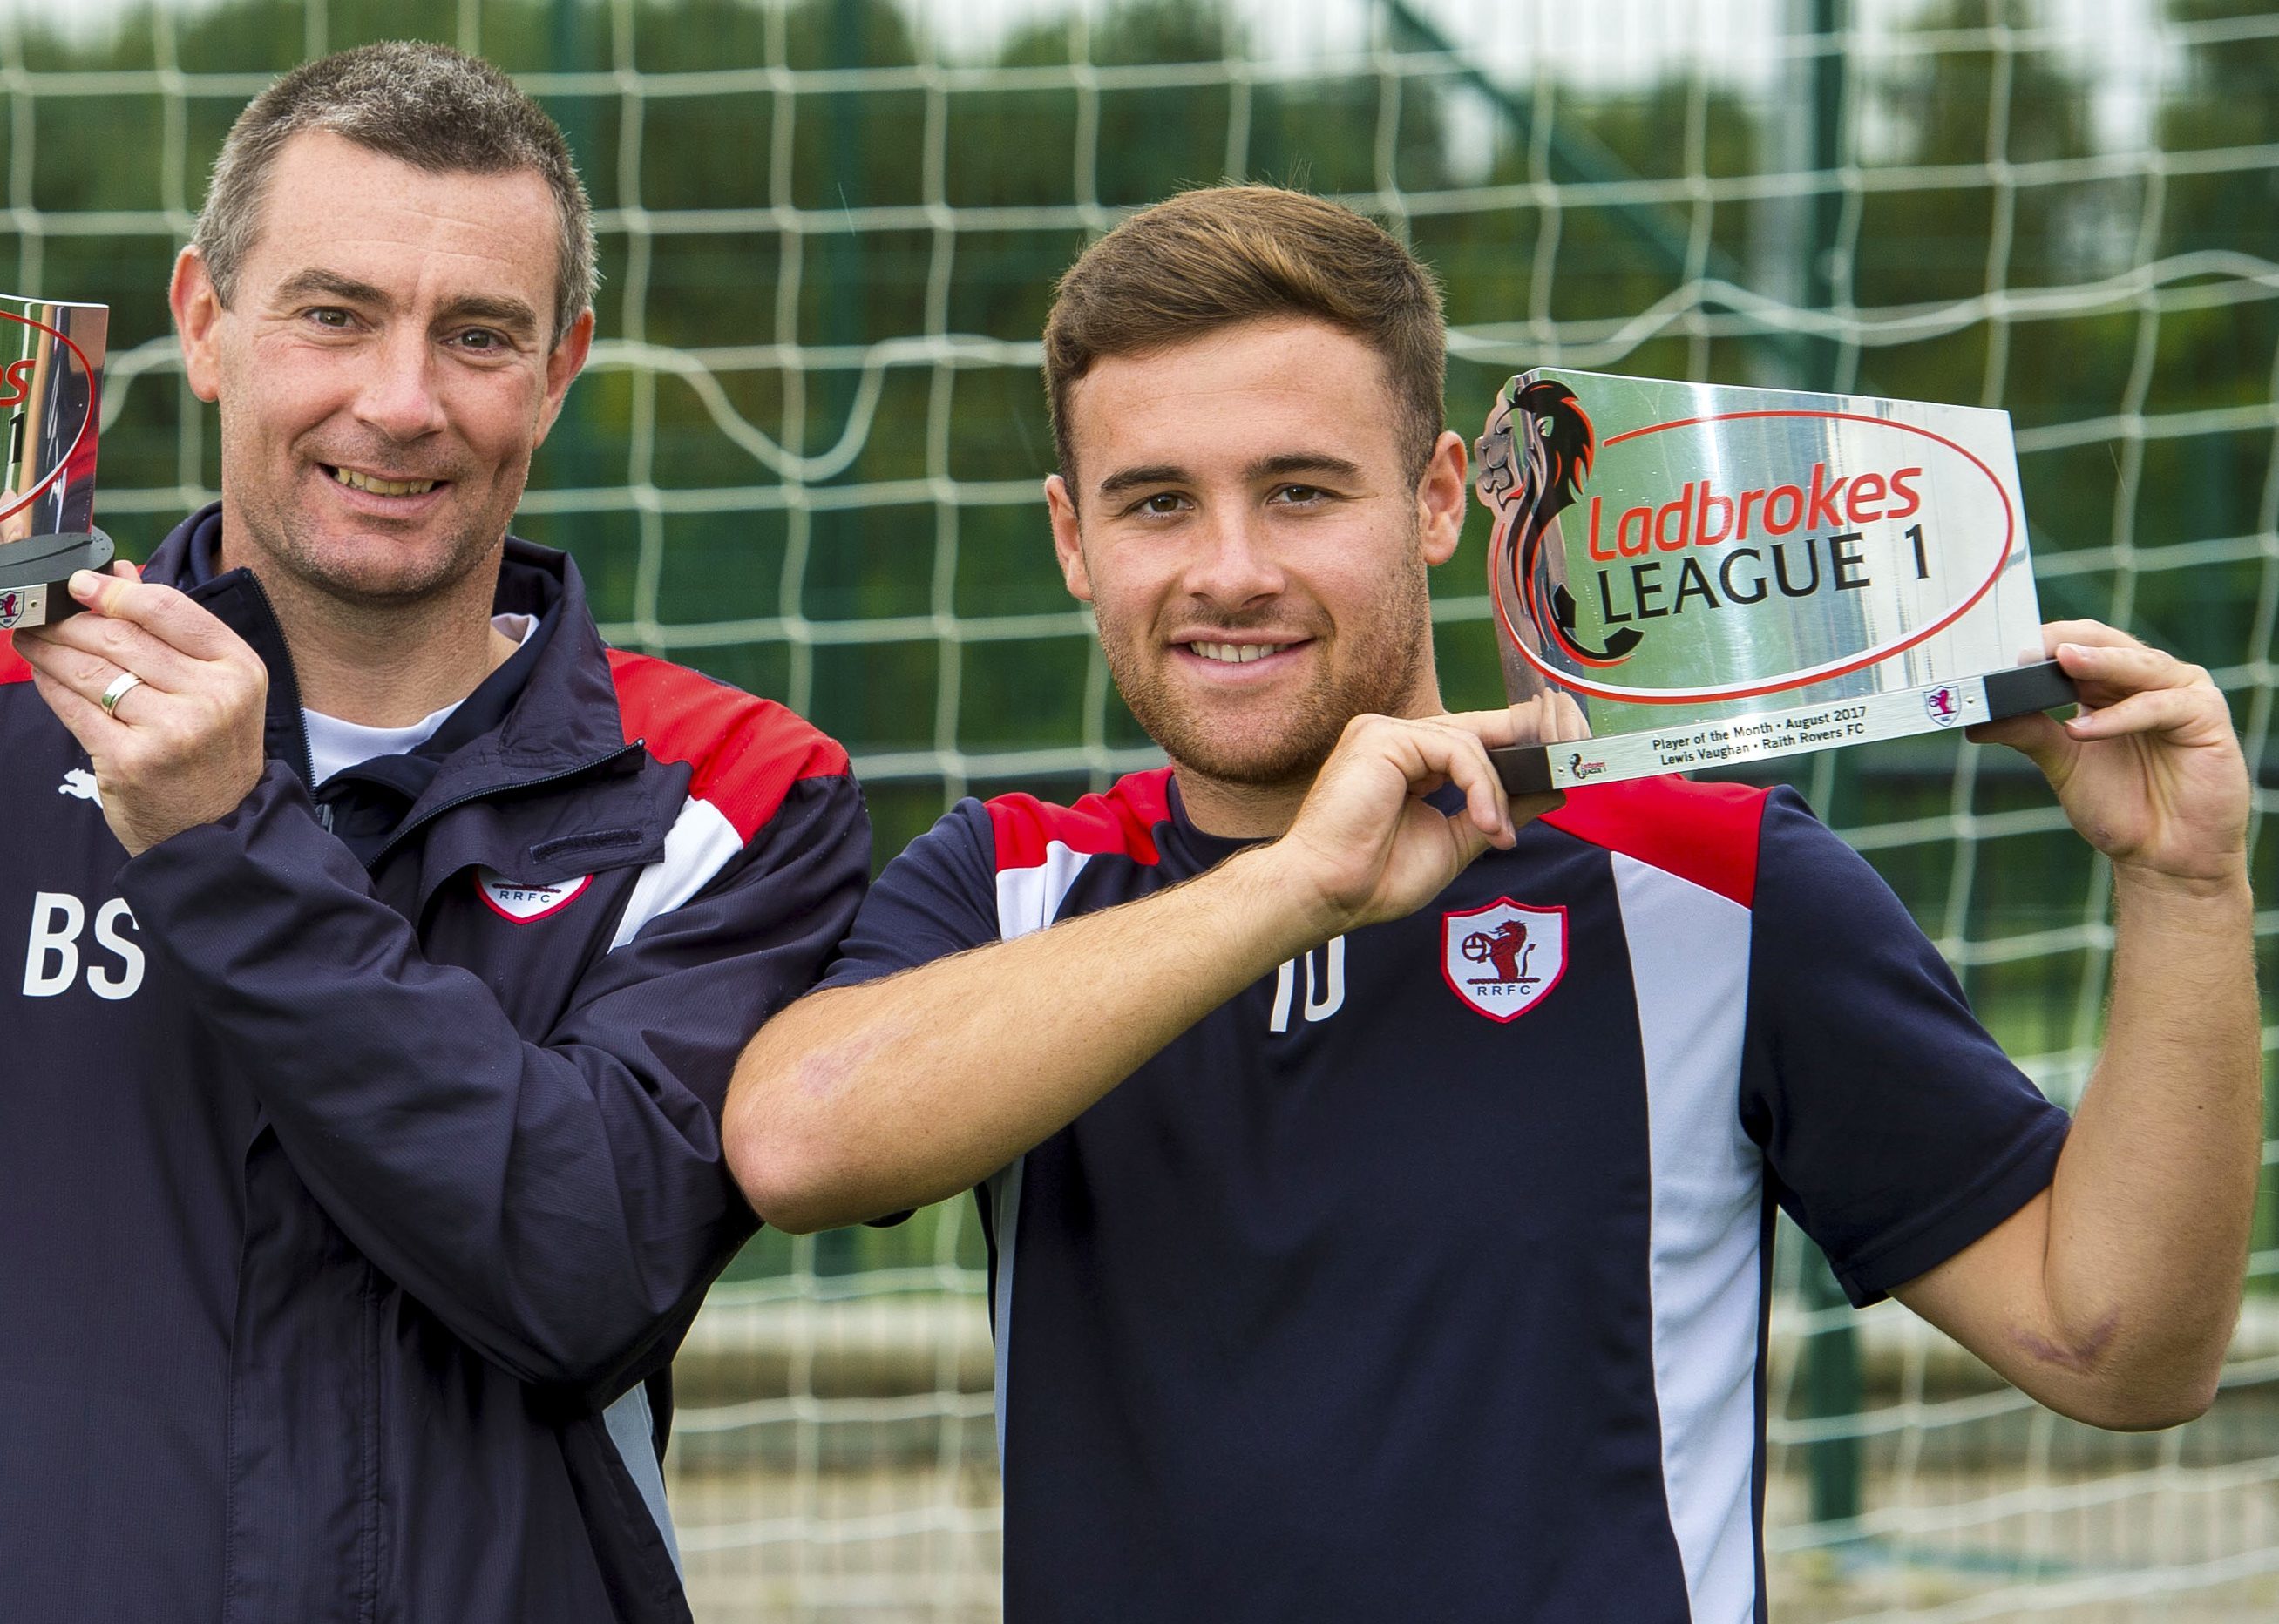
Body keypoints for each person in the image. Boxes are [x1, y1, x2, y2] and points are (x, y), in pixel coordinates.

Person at [0, 43, 865, 1624]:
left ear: (563, 364)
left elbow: (579, 1276)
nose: (399, 403)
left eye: (477, 334)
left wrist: (224, 841)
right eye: (333, 314)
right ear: (205, 322)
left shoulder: (733, 792)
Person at [719, 186, 2262, 1623]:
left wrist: (2185, 885)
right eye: (1157, 506)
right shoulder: (1012, 881)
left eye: (1301, 490)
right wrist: (1296, 889)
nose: (1231, 569)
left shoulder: (1718, 883)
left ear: (1442, 496)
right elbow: (797, 1142)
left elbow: (2122, 1350)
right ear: (1073, 539)